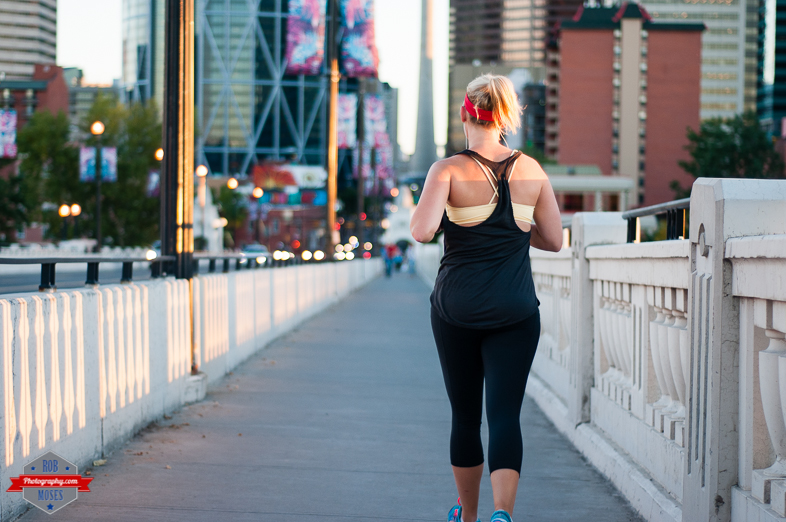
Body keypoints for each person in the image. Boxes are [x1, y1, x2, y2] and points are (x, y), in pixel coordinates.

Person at [410, 73, 563, 522]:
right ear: (504, 116)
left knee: (465, 416)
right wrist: (511, 230)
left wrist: (456, 218)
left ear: (465, 113)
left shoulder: (448, 169)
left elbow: (420, 232)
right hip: (515, 311)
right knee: (504, 416)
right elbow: (554, 240)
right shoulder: (532, 170)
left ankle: (470, 515)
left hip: (456, 309)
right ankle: (503, 514)